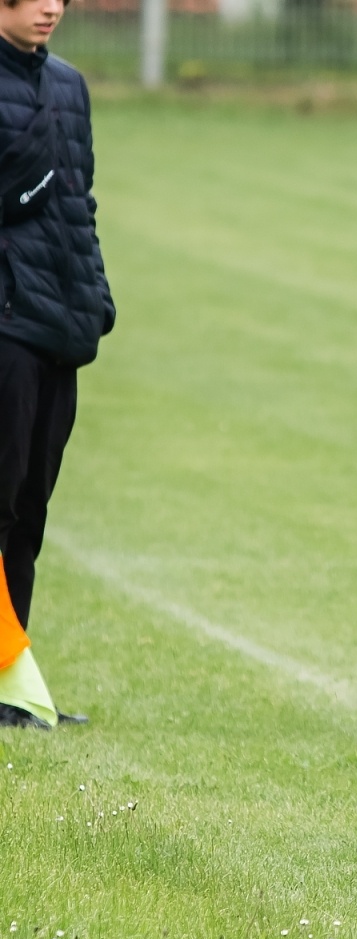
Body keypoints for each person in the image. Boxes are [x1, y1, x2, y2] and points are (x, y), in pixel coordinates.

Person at [0, 0, 114, 729]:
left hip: (60, 327)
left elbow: (81, 202)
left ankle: (10, 691)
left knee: (29, 514)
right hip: (6, 323)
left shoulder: (69, 85)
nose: (51, 8)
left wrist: (97, 294)